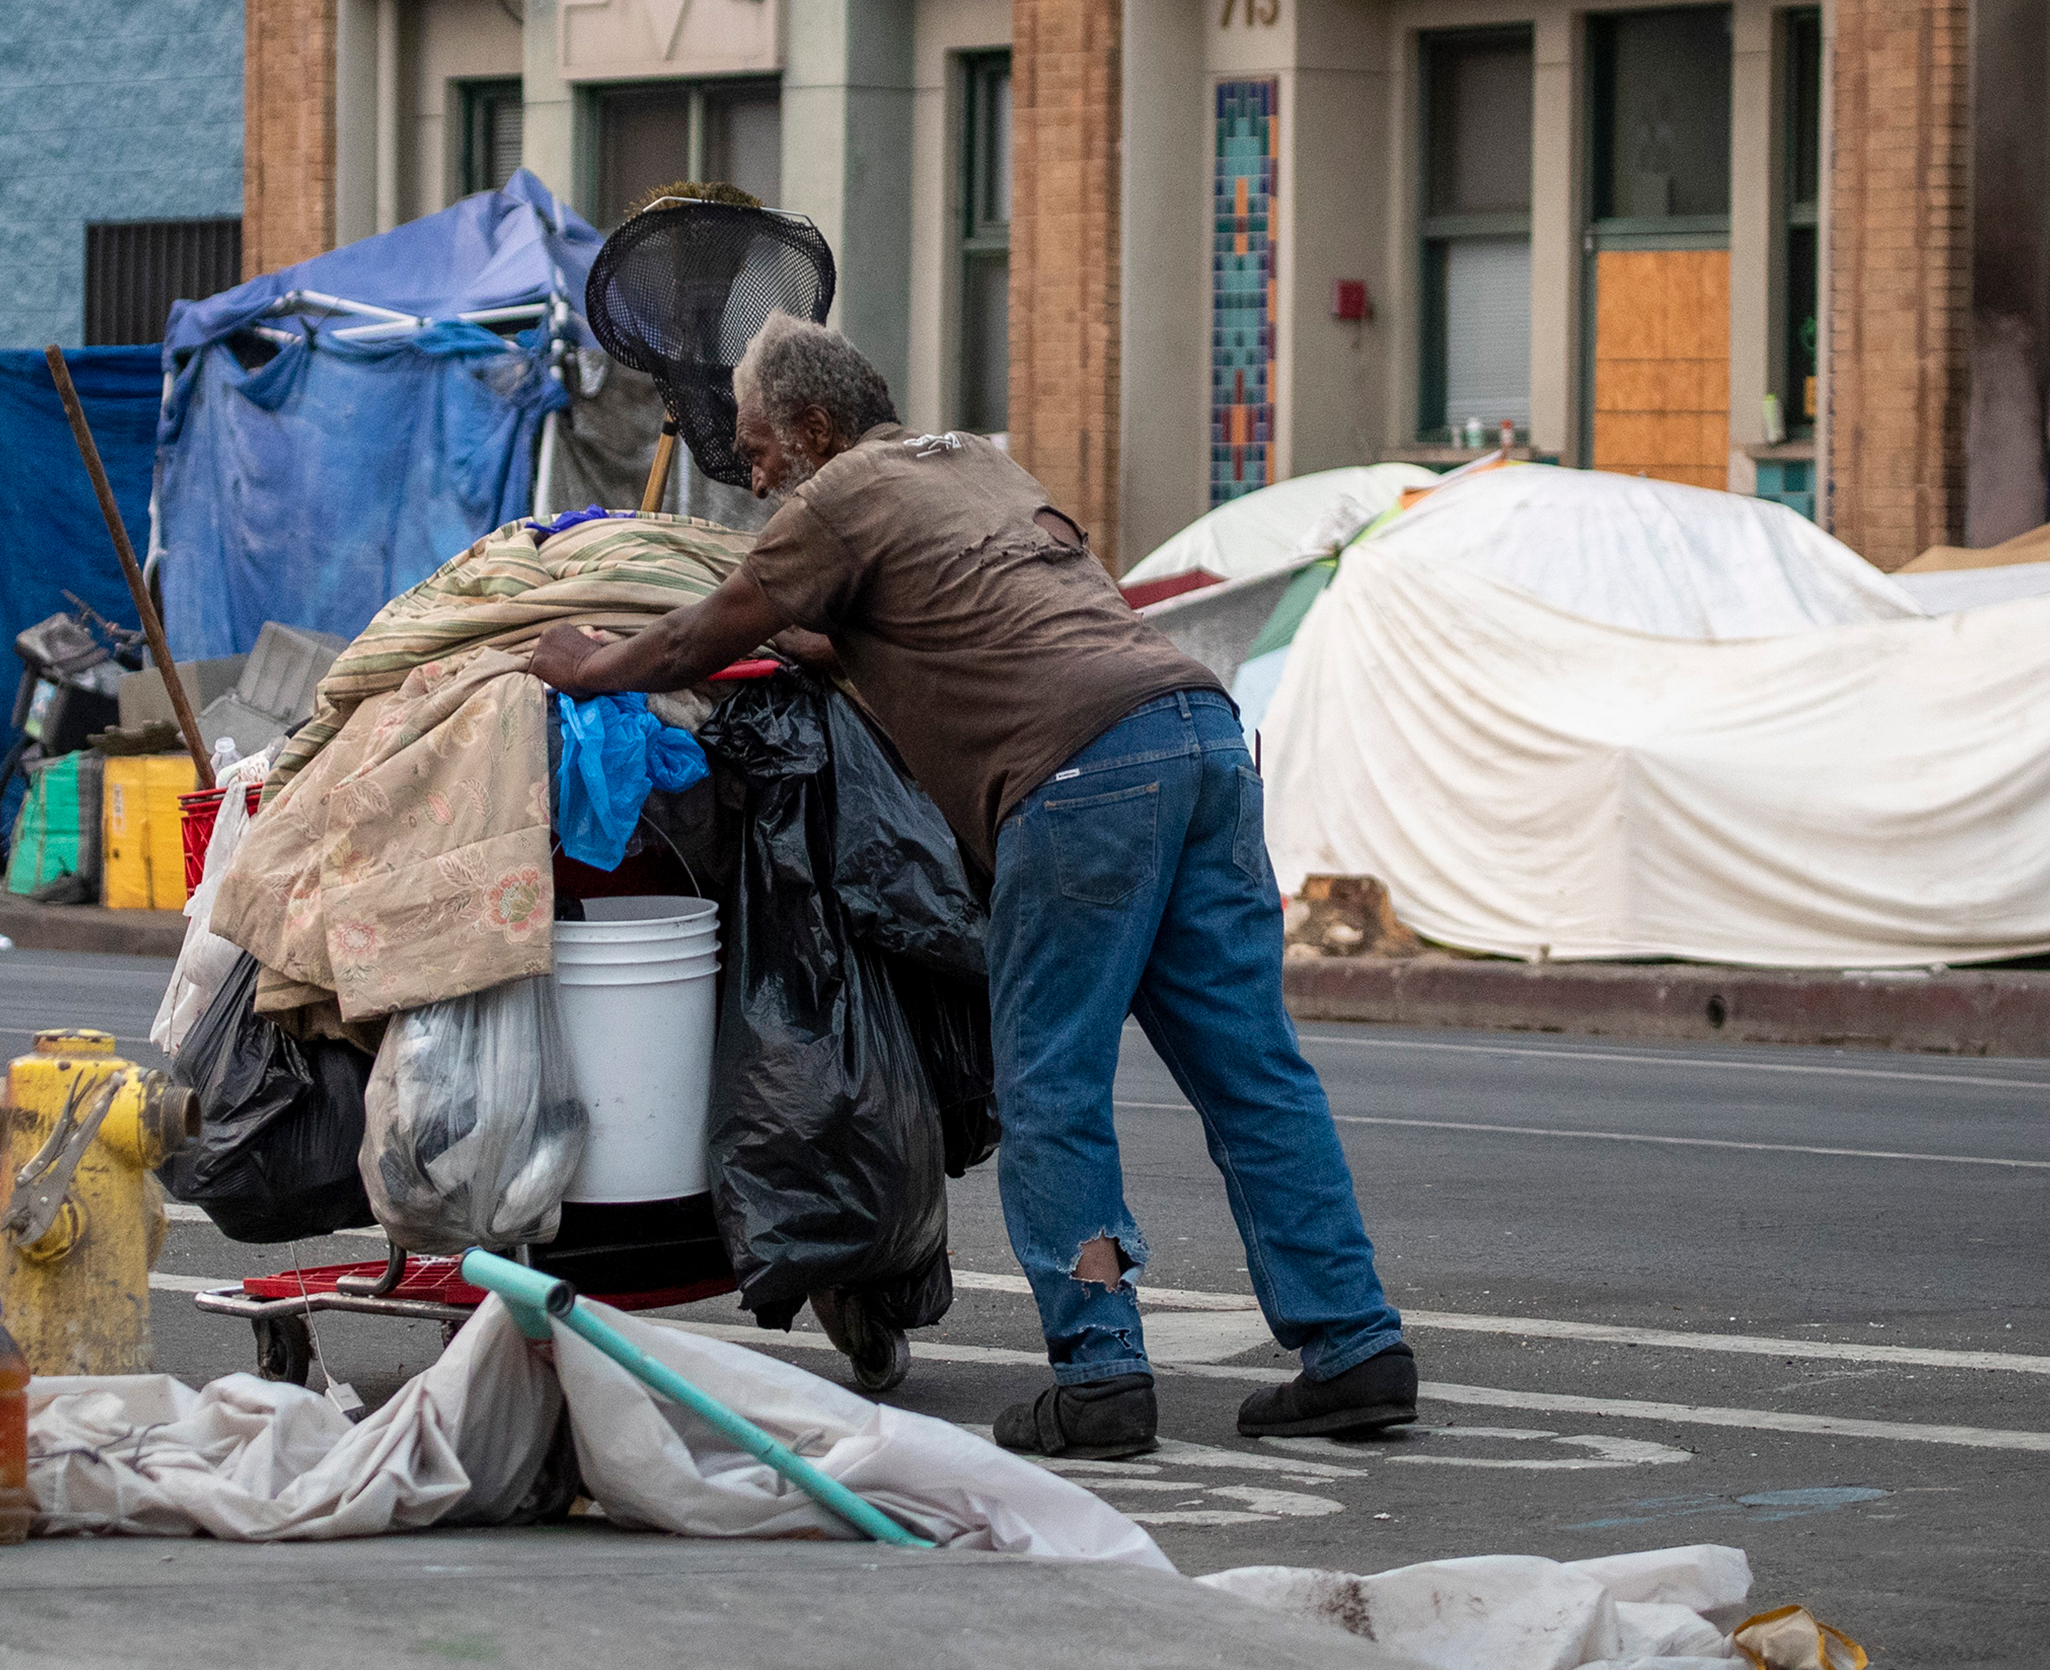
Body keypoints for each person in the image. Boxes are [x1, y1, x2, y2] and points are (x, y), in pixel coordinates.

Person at [526, 313, 1415, 1456]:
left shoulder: (839, 497)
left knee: (1049, 1082)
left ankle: (1099, 1374)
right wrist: (839, 652)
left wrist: (588, 664)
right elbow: (984, 626)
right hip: (1197, 736)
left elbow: (707, 630)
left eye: (754, 449)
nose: (751, 474)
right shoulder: (982, 465)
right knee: (1254, 1074)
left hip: (1084, 778)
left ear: (810, 425)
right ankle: (1354, 1344)